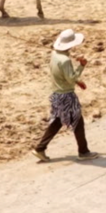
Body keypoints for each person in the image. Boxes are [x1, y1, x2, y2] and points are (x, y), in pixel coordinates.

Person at [34, 29, 96, 161]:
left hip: (57, 94)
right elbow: (71, 79)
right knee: (78, 121)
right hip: (67, 96)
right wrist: (81, 66)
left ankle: (40, 148)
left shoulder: (55, 55)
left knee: (58, 120)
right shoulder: (65, 60)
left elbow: (63, 74)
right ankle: (83, 152)